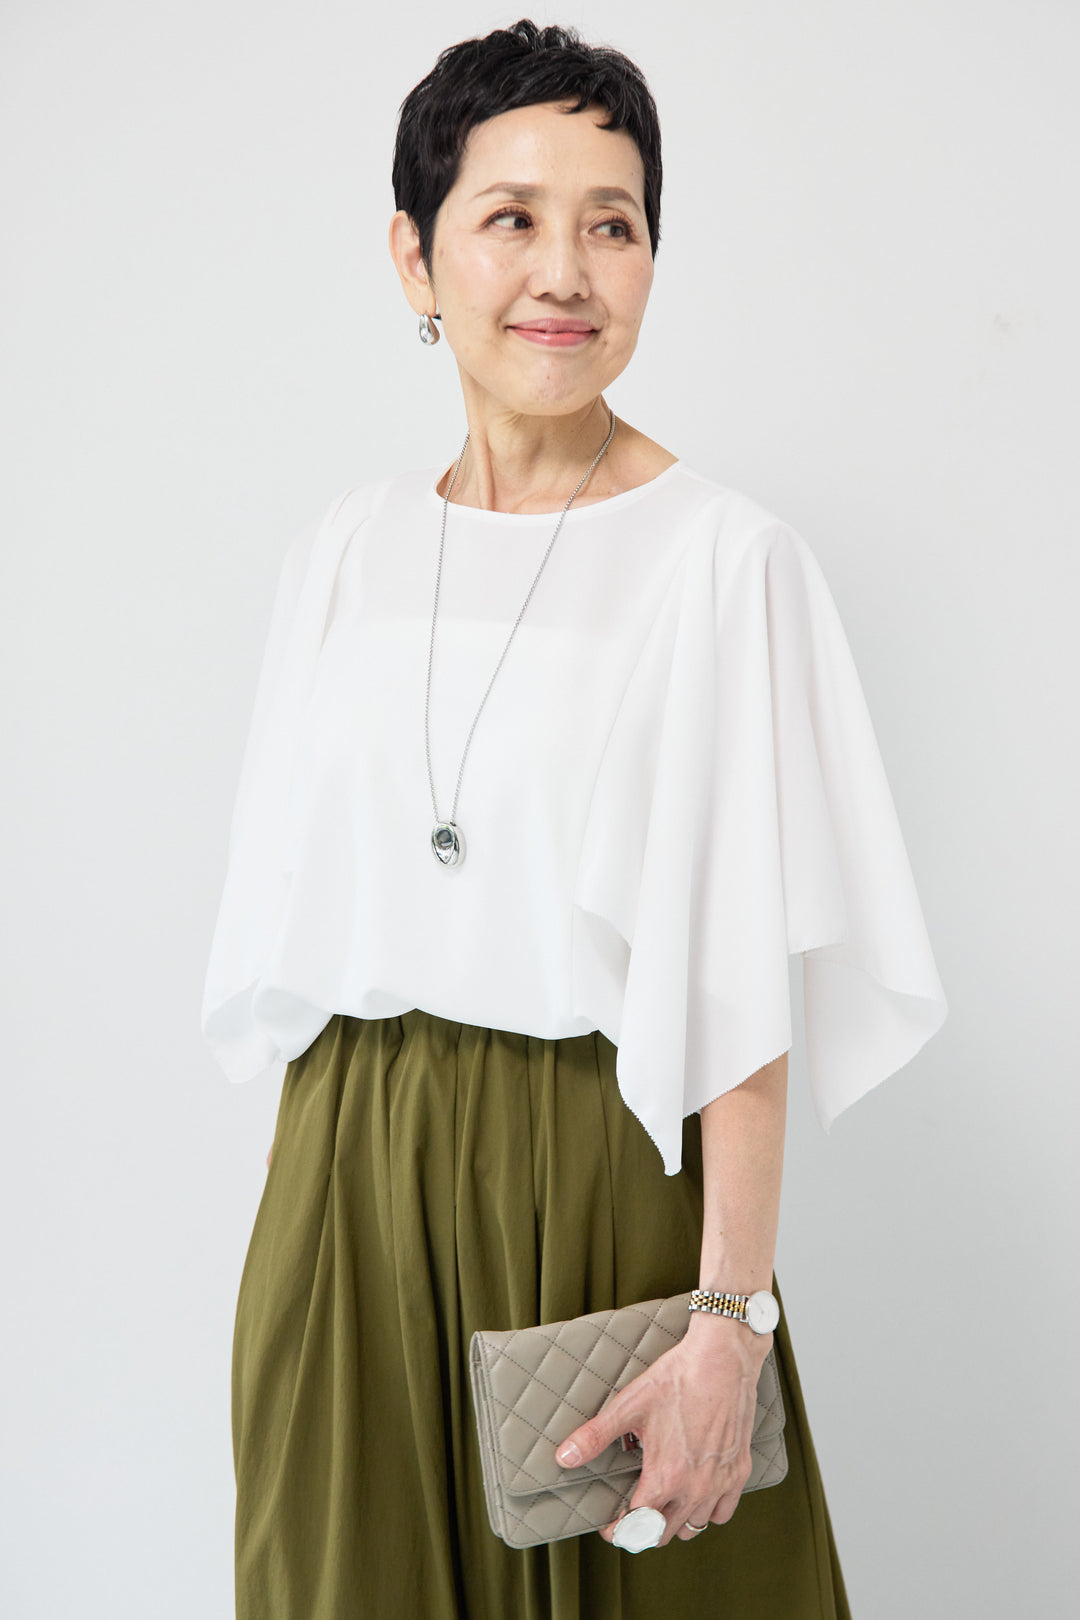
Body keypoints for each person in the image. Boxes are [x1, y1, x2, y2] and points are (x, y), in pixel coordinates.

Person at [202, 18, 948, 1618]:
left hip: (600, 1170)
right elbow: (298, 937)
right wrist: (314, 1241)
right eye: (512, 217)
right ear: (415, 257)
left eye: (613, 224)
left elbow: (743, 994)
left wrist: (731, 1318)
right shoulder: (345, 553)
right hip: (349, 1177)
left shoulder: (725, 563)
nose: (565, 271)